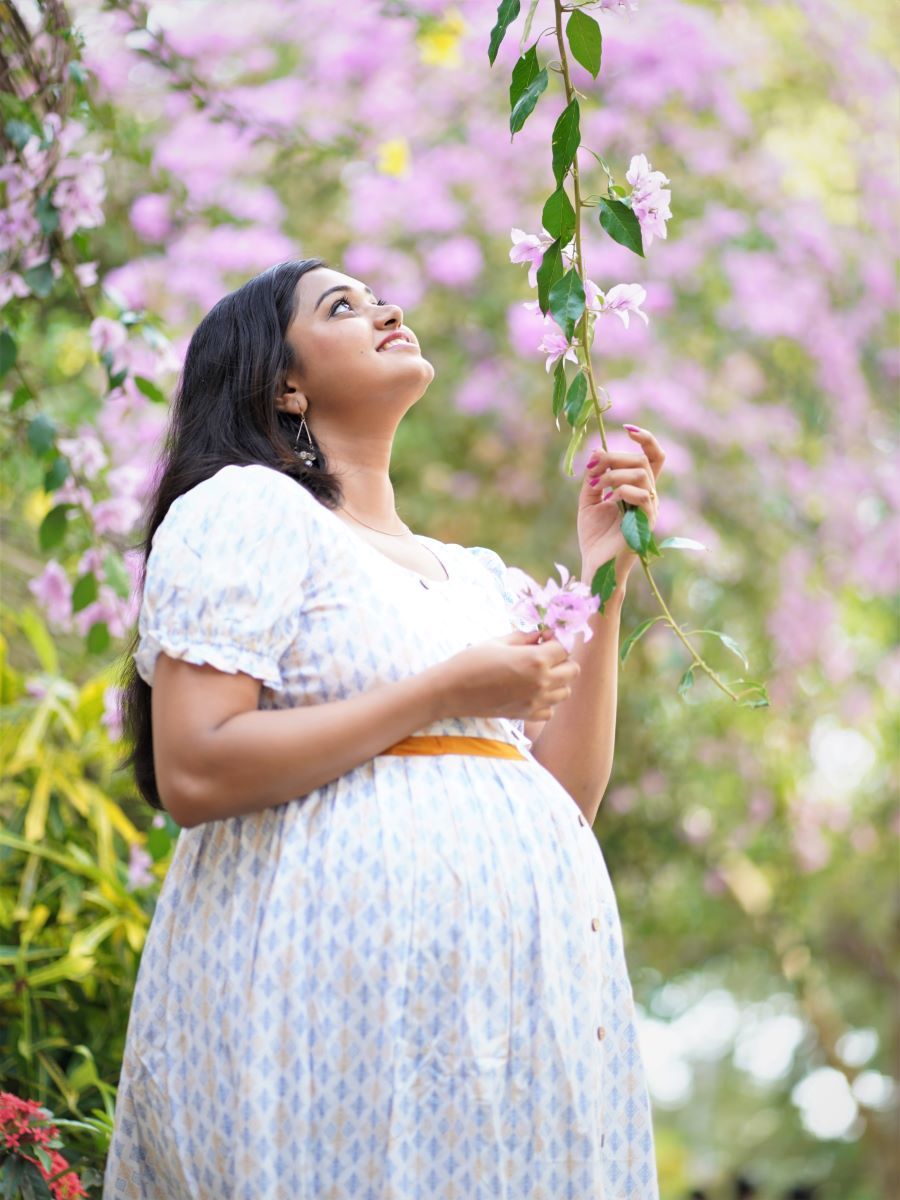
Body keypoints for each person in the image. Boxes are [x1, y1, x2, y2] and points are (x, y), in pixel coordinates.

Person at [104, 257, 665, 1198]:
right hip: (328, 1013)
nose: (387, 308)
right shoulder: (248, 510)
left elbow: (562, 799)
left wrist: (604, 569)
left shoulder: (477, 579)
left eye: (377, 297)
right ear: (285, 384)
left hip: (511, 1030)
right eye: (342, 306)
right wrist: (438, 692)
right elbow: (196, 768)